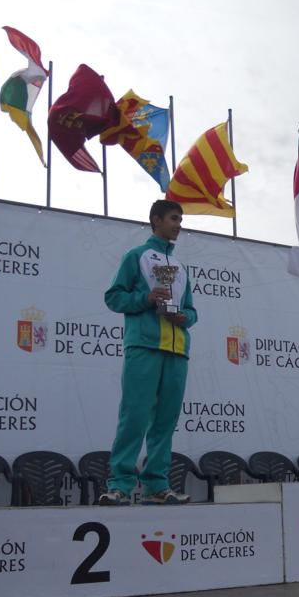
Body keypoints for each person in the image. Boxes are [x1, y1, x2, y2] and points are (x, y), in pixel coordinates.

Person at [99, 199, 197, 506]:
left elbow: (192, 311)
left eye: (180, 219)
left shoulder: (180, 268)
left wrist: (183, 317)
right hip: (144, 345)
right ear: (156, 220)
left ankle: (157, 485)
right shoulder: (137, 256)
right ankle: (120, 485)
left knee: (165, 423)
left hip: (177, 351)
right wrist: (146, 298)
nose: (178, 225)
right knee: (135, 416)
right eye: (173, 218)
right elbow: (114, 297)